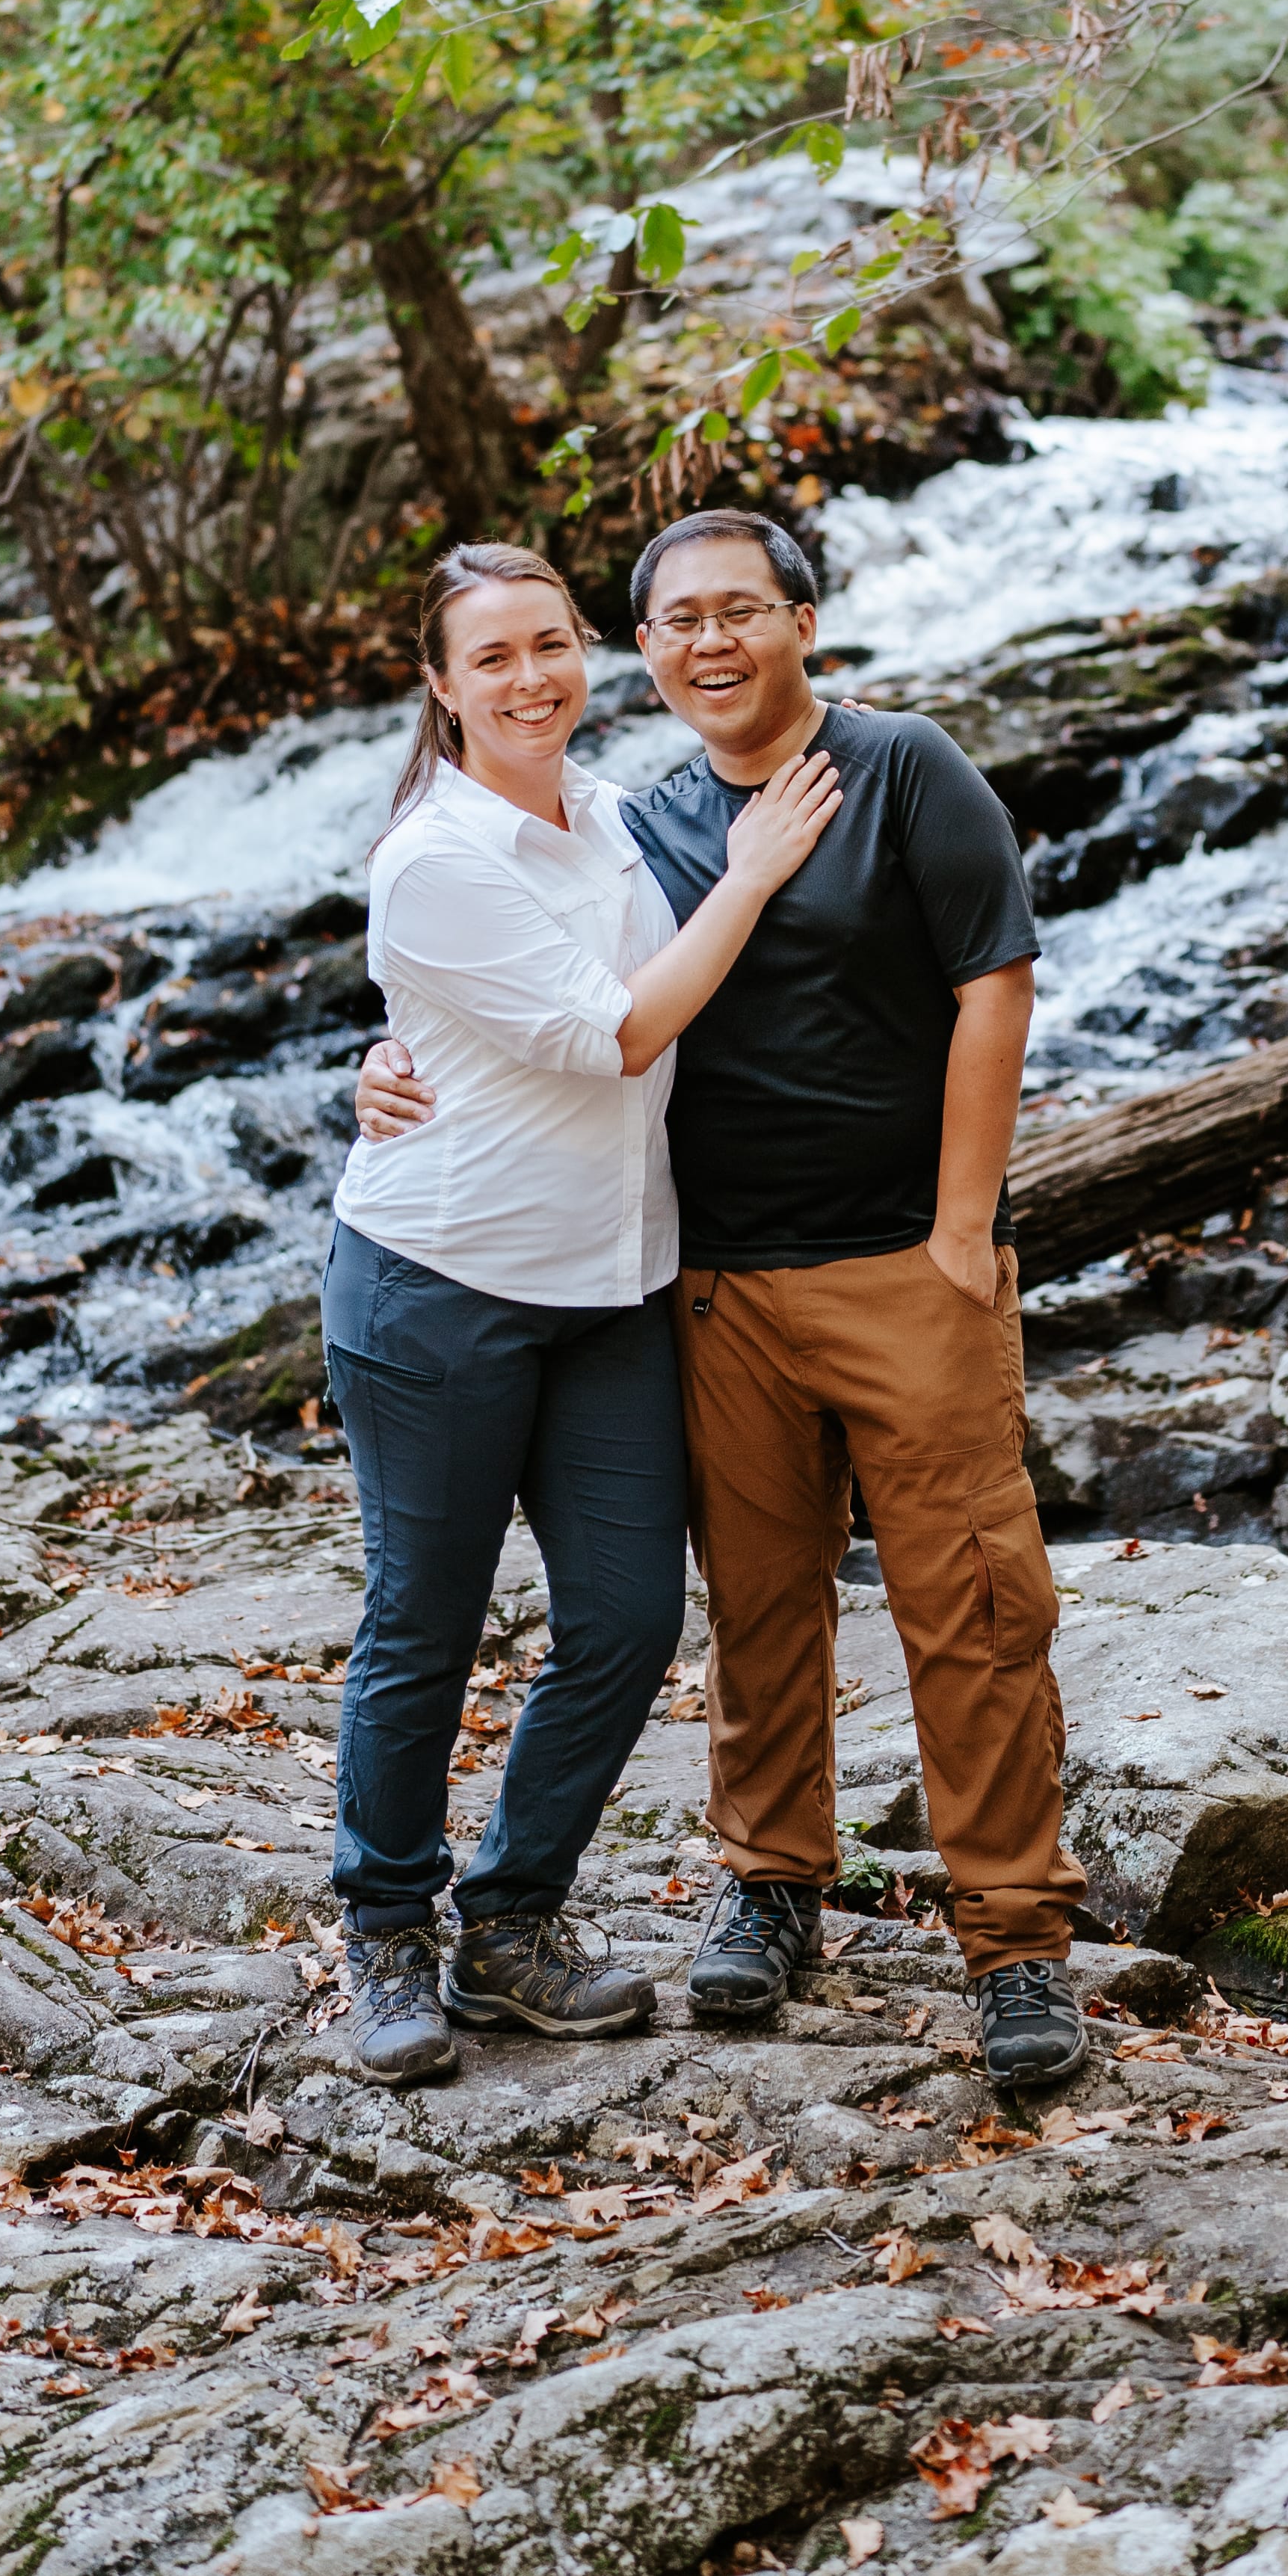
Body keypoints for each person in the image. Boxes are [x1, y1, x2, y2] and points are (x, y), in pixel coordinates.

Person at [359, 505, 1090, 2104]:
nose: (710, 640)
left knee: (969, 1609)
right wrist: (375, 1070)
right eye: (677, 619)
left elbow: (995, 983)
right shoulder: (642, 822)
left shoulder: (902, 770)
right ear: (646, 651)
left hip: (906, 1264)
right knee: (754, 1611)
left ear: (802, 623)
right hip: (710, 1289)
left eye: (740, 610)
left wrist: (965, 1233)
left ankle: (1017, 1946)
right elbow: (521, 989)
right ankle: (771, 1890)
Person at [321, 538, 838, 2089]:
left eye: (550, 644)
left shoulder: (610, 815)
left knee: (622, 1622)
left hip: (612, 1285)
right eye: (493, 658)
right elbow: (613, 1033)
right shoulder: (434, 856)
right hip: (440, 1286)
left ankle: (514, 1923)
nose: (532, 678)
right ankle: (386, 1935)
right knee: (428, 1620)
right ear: (440, 685)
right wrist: (751, 873)